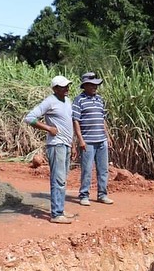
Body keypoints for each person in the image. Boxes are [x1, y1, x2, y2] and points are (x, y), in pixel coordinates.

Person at [25, 75, 76, 224]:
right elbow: (30, 118)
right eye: (63, 86)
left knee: (63, 179)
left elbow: (69, 123)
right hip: (56, 144)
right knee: (58, 179)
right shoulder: (50, 101)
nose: (67, 88)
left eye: (67, 85)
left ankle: (60, 208)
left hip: (66, 144)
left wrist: (72, 144)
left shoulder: (67, 101)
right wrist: (48, 128)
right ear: (55, 89)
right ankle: (56, 213)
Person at [72, 72, 114, 206]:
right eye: (92, 85)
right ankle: (84, 195)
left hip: (101, 140)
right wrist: (80, 139)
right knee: (87, 169)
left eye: (96, 85)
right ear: (85, 86)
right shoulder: (79, 100)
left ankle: (102, 194)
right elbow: (76, 121)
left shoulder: (100, 99)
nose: (95, 87)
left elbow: (103, 120)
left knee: (103, 169)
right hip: (88, 141)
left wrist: (107, 136)